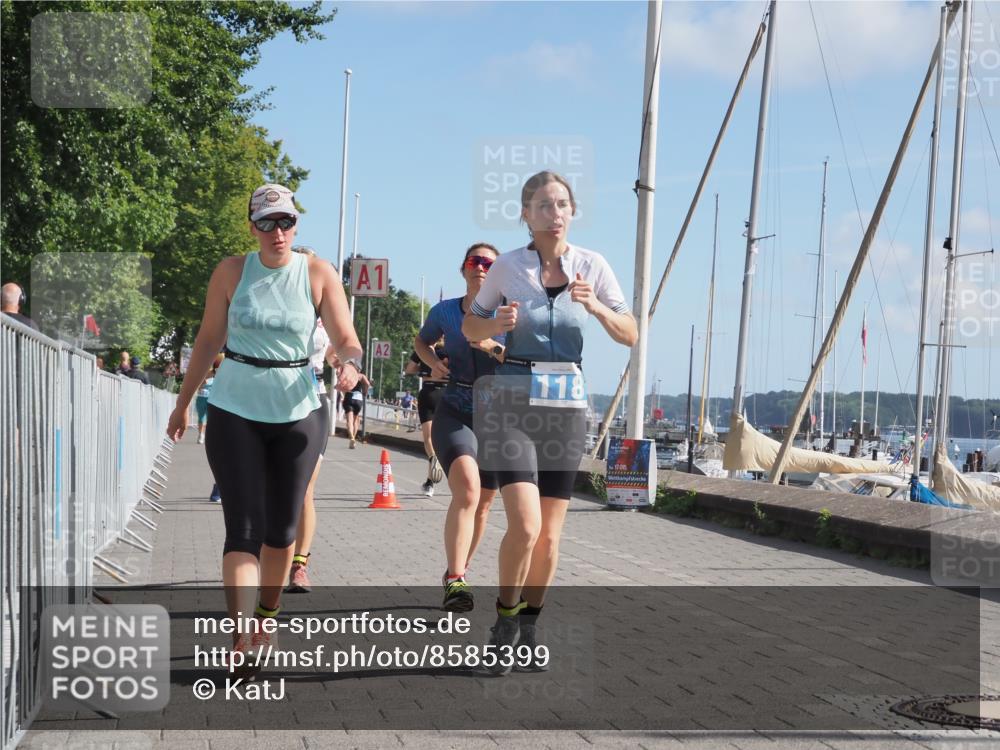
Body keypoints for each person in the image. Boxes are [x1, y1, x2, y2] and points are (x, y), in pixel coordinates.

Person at [165, 183, 363, 674]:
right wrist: (183, 404)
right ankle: (240, 636)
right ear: (252, 226)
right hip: (235, 408)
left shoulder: (317, 272)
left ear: (296, 225)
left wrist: (350, 363)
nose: (278, 232)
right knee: (243, 529)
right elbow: (208, 339)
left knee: (282, 531)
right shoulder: (231, 272)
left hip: (299, 411)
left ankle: (267, 616)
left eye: (286, 222)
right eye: (267, 223)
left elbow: (345, 336)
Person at [463, 171, 637, 673]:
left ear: (572, 211)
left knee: (550, 538)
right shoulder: (507, 267)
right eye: (543, 205)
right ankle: (504, 621)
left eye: (561, 204)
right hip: (512, 401)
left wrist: (596, 305)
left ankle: (528, 626)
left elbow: (630, 333)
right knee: (525, 525)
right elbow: (471, 326)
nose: (554, 213)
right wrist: (495, 323)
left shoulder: (592, 265)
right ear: (526, 214)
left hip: (565, 407)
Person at [417, 242, 505, 611]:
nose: (481, 267)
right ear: (463, 269)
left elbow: (524, 362)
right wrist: (433, 363)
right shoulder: (445, 312)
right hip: (455, 409)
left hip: (498, 417)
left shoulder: (509, 315)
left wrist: (492, 346)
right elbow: (422, 342)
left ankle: (459, 572)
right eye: (474, 261)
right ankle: (455, 580)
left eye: (489, 263)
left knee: (483, 504)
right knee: (467, 490)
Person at [287, 246, 339, 594]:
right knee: (273, 487)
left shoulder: (327, 310)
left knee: (305, 487)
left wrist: (345, 364)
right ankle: (272, 551)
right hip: (273, 400)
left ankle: (299, 565)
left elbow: (339, 347)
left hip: (313, 398)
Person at [404, 341, 449, 495]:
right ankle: (432, 479)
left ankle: (430, 477)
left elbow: (409, 369)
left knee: (429, 438)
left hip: (428, 392)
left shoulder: (422, 349)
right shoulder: (450, 348)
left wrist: (424, 368)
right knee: (442, 439)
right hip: (446, 392)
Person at [342, 370, 371, 449]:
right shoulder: (361, 376)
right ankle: (353, 438)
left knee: (350, 421)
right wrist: (365, 392)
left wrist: (344, 394)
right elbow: (367, 384)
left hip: (349, 396)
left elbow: (343, 386)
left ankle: (351, 437)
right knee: (356, 420)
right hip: (358, 398)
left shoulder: (348, 374)